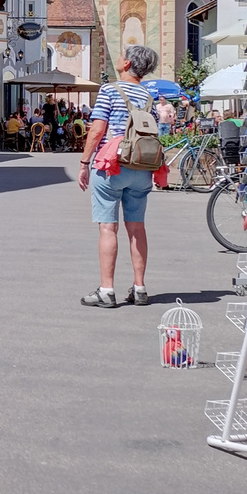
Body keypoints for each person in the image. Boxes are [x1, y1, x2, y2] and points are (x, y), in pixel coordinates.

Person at [77, 44, 161, 308]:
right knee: (137, 227)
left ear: (127, 64)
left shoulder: (110, 90)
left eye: (123, 56)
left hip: (112, 164)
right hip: (141, 167)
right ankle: (139, 287)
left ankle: (107, 290)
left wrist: (84, 162)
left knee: (108, 227)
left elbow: (97, 129)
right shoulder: (149, 98)